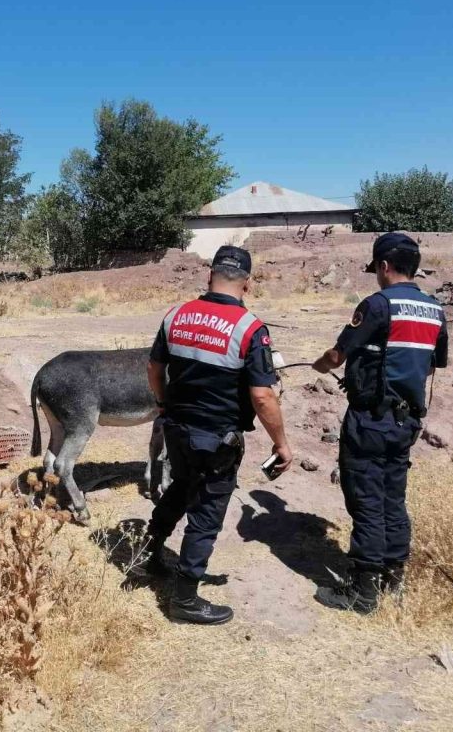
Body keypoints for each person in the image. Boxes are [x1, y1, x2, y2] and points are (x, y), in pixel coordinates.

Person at [145, 245, 292, 625]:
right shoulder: (250, 329)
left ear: (210, 275)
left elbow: (154, 368)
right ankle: (185, 598)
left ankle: (150, 552)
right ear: (247, 282)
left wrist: (163, 405)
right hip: (216, 439)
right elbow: (262, 396)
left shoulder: (176, 315)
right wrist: (280, 443)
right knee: (207, 514)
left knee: (180, 487)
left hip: (176, 428)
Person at [311, 232, 448, 614]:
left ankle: (363, 591)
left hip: (370, 420)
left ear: (384, 267)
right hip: (407, 422)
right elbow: (433, 362)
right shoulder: (434, 309)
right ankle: (393, 579)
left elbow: (338, 355)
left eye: (376, 269)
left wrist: (320, 365)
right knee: (393, 498)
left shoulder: (376, 305)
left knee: (367, 500)